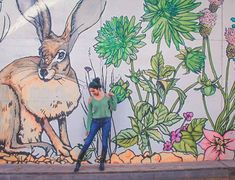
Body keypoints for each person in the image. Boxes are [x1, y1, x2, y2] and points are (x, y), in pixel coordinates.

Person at [74, 77, 117, 172]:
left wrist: (113, 97)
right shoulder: (91, 100)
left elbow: (114, 108)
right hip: (95, 121)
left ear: (98, 88)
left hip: (106, 121)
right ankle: (78, 162)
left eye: (93, 91)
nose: (92, 93)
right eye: (91, 92)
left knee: (104, 143)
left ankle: (102, 162)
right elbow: (89, 115)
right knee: (87, 142)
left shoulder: (106, 97)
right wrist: (88, 128)